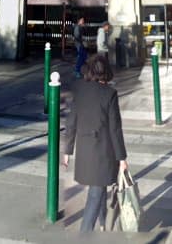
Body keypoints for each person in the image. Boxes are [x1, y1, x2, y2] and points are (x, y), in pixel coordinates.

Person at [63, 54, 128, 233]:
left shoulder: (81, 90)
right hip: (103, 151)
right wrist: (122, 158)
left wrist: (67, 151)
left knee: (97, 187)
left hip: (85, 150)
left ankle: (102, 223)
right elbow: (115, 128)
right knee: (96, 192)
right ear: (106, 72)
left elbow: (71, 121)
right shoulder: (110, 94)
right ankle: (85, 234)